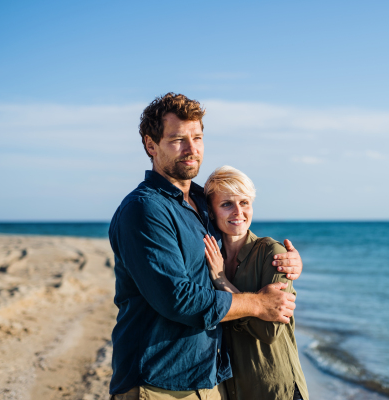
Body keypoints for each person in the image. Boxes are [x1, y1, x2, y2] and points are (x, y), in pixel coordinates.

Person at [109, 93, 304, 400]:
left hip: (208, 378)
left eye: (197, 137)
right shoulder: (145, 210)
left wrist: (283, 260)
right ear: (151, 145)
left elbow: (239, 238)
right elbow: (178, 299)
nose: (192, 149)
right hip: (158, 381)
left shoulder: (202, 202)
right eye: (177, 139)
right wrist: (258, 304)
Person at [203, 166, 309, 400]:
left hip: (275, 389)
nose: (238, 212)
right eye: (226, 204)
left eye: (245, 202)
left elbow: (269, 330)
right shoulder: (209, 256)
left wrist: (223, 282)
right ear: (211, 211)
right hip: (234, 389)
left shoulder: (273, 253)